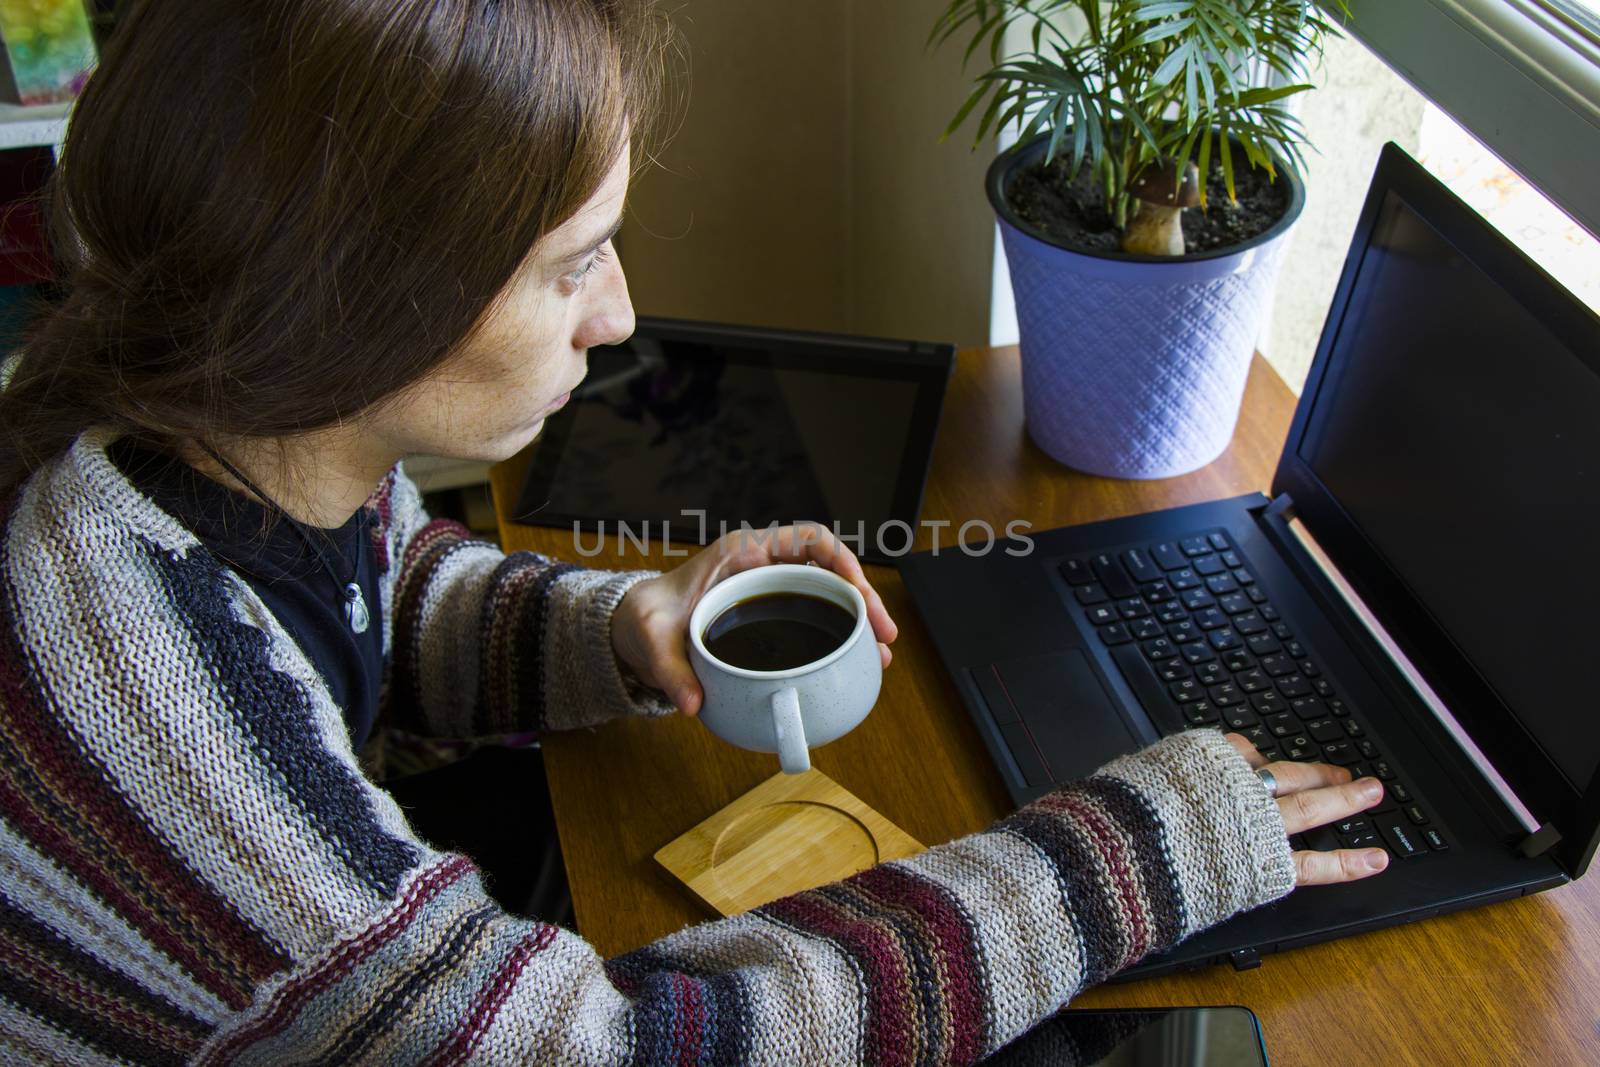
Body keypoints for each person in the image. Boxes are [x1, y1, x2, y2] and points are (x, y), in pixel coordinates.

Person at [0, 1, 1390, 1063]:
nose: (616, 317)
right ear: (354, 300)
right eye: (572, 263)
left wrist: (611, 624)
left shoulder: (223, 428)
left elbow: (366, 597)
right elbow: (610, 1051)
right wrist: (1119, 866)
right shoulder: (134, 700)